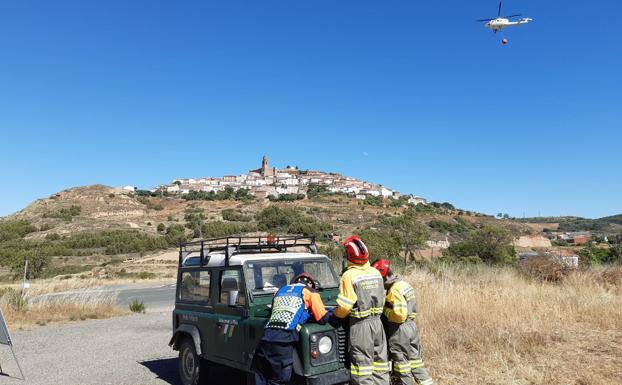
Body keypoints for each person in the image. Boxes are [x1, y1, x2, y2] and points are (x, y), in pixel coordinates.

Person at [330, 235, 390, 385]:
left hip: (360, 326)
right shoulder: (375, 273)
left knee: (362, 368)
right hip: (378, 324)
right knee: (380, 364)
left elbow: (345, 306)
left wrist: (334, 316)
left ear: (349, 255)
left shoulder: (349, 275)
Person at [254, 273, 329, 385]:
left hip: (265, 339)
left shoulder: (281, 290)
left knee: (262, 378)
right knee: (279, 381)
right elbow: (323, 319)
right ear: (309, 284)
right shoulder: (310, 292)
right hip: (283, 340)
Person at [372, 259, 434, 385]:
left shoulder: (394, 290)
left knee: (402, 365)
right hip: (411, 327)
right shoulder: (404, 284)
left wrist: (385, 311)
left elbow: (399, 315)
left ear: (383, 277)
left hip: (400, 330)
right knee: (416, 362)